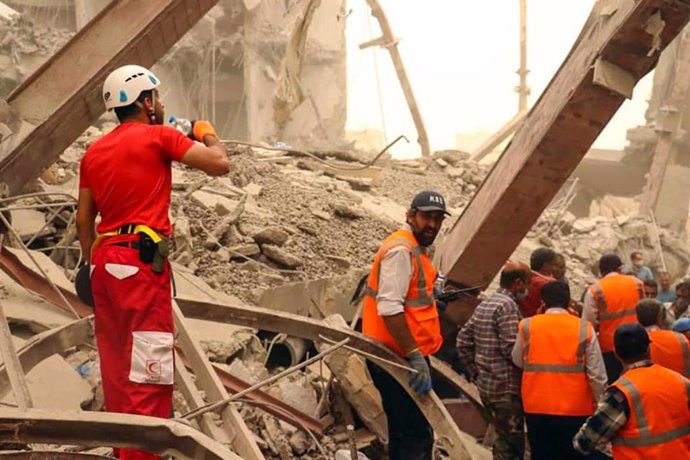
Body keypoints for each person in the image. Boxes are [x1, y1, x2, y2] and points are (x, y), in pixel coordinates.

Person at [76, 65, 229, 460]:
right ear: (144, 101)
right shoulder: (160, 136)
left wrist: (89, 265)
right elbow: (219, 164)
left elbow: (83, 219)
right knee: (149, 372)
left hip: (104, 263)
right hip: (141, 267)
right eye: (155, 97)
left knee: (116, 372)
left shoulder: (93, 152)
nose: (159, 104)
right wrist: (205, 130)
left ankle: (124, 451)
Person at [361, 190, 449, 460]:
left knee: (409, 431)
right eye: (426, 217)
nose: (432, 225)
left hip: (404, 353)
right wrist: (413, 356)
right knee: (414, 434)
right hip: (395, 355)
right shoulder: (401, 251)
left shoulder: (415, 248)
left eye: (437, 219)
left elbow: (410, 297)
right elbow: (389, 308)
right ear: (410, 215)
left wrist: (432, 301)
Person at [512, 281, 607, 460]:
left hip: (536, 407)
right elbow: (597, 374)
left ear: (543, 302)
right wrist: (600, 407)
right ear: (569, 301)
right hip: (575, 410)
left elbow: (517, 360)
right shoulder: (583, 328)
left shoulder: (527, 326)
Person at [573, 324, 690, 458]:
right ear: (648, 348)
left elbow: (584, 442)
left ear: (616, 353)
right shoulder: (681, 381)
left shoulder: (620, 393)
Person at [457, 262, 530, 460]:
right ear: (517, 283)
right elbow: (510, 348)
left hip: (488, 389)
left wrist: (475, 374)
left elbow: (462, 341)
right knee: (511, 448)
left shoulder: (487, 303)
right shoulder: (507, 306)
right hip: (506, 390)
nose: (527, 290)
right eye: (527, 284)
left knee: (502, 441)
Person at [583, 254, 643, 383]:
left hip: (611, 348)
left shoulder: (595, 290)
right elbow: (645, 310)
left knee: (617, 386)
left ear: (601, 271)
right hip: (639, 342)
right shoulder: (636, 283)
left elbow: (589, 325)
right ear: (620, 268)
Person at [636, 299, 690, 377]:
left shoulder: (634, 343)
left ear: (638, 318)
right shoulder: (680, 339)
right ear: (659, 317)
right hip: (680, 386)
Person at [518, 247, 556, 318]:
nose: (554, 268)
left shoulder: (521, 276)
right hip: (536, 322)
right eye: (552, 264)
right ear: (545, 265)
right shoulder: (549, 283)